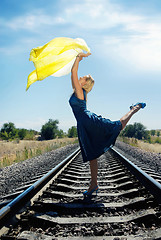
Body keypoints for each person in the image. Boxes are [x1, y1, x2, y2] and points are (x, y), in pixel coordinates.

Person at [69, 52, 146, 197]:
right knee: (92, 154)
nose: (80, 77)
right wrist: (78, 59)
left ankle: (134, 109)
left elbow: (73, 71)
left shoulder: (80, 92)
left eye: (83, 77)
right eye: (81, 76)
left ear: (84, 83)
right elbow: (73, 74)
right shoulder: (78, 91)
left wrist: (78, 58)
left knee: (117, 125)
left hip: (88, 122)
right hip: (84, 125)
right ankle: (94, 184)